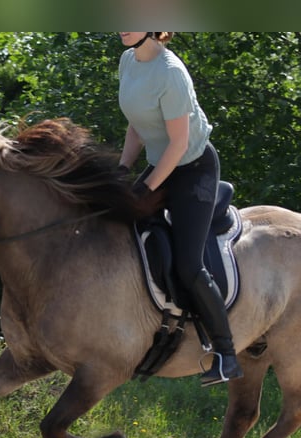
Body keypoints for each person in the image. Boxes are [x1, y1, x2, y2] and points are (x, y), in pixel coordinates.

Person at [117, 32, 242, 385]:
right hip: (162, 166)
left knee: (190, 265)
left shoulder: (171, 72)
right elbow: (136, 127)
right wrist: (122, 170)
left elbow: (180, 143)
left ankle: (226, 354)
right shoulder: (128, 61)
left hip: (192, 171)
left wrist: (145, 187)